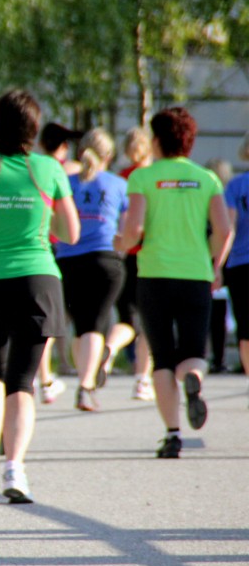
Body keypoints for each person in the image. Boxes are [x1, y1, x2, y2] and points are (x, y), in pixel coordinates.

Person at [0, 90, 80, 503]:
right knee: (22, 381)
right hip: (39, 278)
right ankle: (15, 472)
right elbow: (72, 232)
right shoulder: (50, 168)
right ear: (34, 128)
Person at [116, 107, 232, 458]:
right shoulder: (207, 179)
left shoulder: (143, 178)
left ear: (156, 140)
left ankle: (172, 434)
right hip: (195, 275)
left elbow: (134, 229)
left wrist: (120, 244)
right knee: (194, 351)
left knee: (162, 358)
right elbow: (225, 230)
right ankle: (194, 377)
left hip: (154, 275)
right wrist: (214, 265)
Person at [56, 128, 128, 411]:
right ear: (109, 155)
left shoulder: (64, 182)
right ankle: (86, 386)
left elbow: (53, 219)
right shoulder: (118, 184)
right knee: (95, 325)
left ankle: (84, 378)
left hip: (68, 260)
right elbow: (126, 229)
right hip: (104, 260)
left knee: (82, 326)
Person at [35, 121, 84, 401]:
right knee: (54, 317)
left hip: (41, 247)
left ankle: (51, 371)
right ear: (64, 147)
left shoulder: (33, 167)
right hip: (58, 249)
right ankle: (50, 374)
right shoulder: (64, 171)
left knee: (49, 318)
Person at [106, 127, 156, 401]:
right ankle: (141, 380)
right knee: (147, 323)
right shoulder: (152, 178)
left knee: (126, 319)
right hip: (148, 256)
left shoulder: (120, 178)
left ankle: (111, 348)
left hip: (121, 256)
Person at [223, 134, 249, 401]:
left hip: (241, 262)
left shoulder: (235, 186)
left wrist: (218, 263)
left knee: (246, 327)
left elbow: (227, 229)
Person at [205, 158, 234, 374]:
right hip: (231, 259)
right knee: (224, 314)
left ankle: (211, 357)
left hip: (210, 259)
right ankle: (220, 358)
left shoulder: (208, 201)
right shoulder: (226, 198)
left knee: (212, 312)